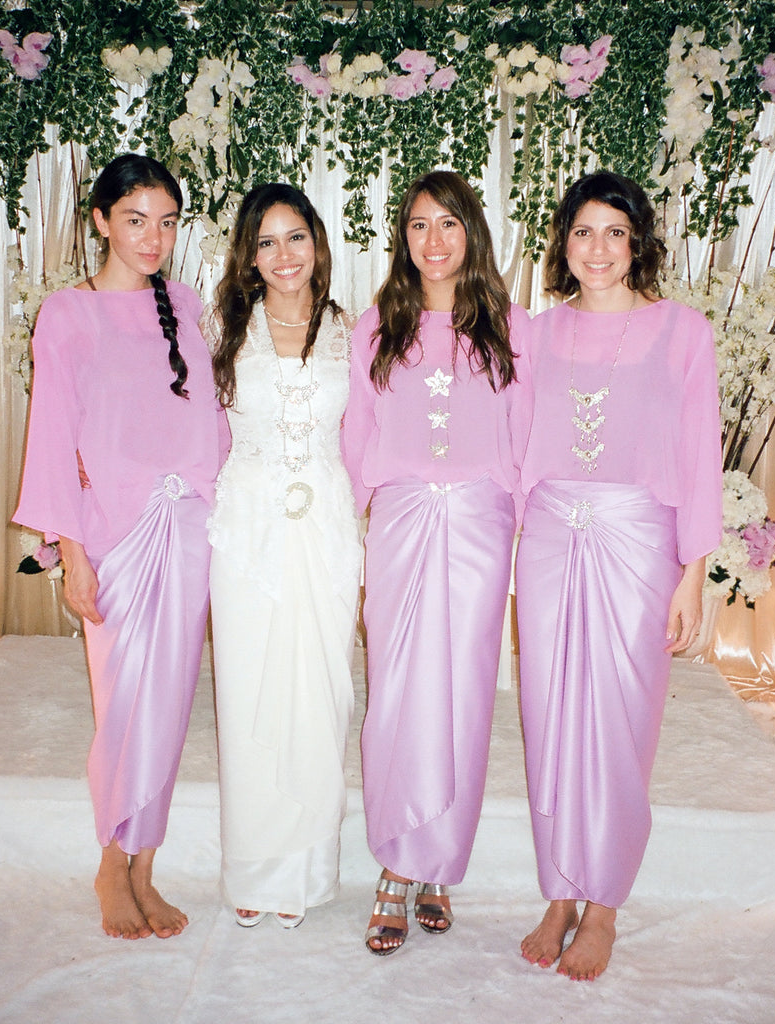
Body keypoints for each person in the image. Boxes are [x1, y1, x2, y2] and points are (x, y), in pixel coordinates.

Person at [515, 170, 723, 980]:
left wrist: (693, 571)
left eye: (612, 231)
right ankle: (561, 891)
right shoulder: (536, 332)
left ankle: (603, 905)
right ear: (562, 242)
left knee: (620, 724)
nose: (596, 249)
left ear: (637, 240)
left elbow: (700, 455)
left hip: (640, 544)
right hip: (550, 542)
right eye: (581, 232)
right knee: (550, 714)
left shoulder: (682, 333)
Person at [14, 154, 227, 940]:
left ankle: (145, 862)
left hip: (189, 531)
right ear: (100, 221)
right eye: (136, 220)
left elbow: (210, 422)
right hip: (113, 537)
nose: (154, 237)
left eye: (168, 222)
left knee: (168, 705)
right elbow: (53, 438)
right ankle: (113, 861)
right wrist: (70, 550)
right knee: (124, 702)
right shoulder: (67, 316)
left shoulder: (185, 303)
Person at [341, 170, 530, 955]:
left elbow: (525, 439)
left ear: (472, 233)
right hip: (401, 523)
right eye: (418, 225)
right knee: (397, 694)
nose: (434, 240)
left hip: (481, 531)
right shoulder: (376, 325)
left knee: (462, 697)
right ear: (403, 238)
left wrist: (516, 535)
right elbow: (357, 435)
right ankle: (394, 862)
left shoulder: (513, 328)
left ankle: (441, 862)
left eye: (448, 223)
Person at [202, 184, 362, 928]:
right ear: (249, 254)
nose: (283, 255)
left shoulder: (352, 331)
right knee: (249, 690)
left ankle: (308, 870)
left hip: (327, 528)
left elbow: (367, 438)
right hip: (248, 530)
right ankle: (256, 871)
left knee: (322, 693)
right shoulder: (224, 329)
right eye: (266, 242)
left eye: (295, 237)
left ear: (318, 243)